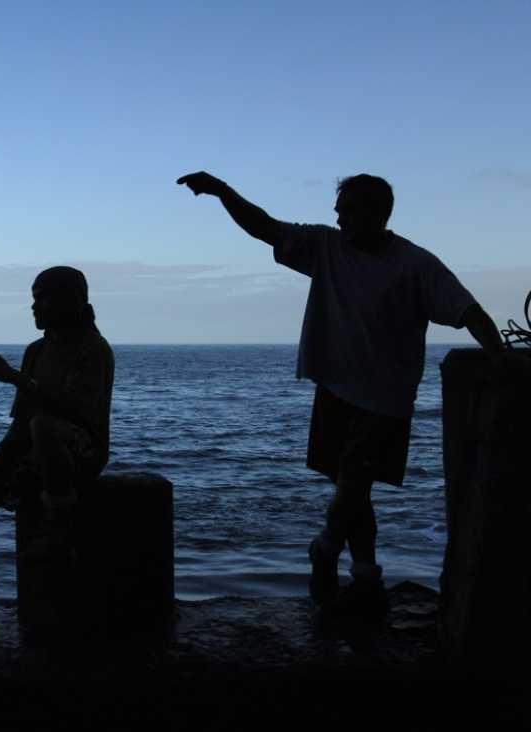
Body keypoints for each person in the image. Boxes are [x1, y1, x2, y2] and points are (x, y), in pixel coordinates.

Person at [176, 171, 504, 617]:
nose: (338, 216)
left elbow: (469, 312)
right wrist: (222, 192)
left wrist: (501, 360)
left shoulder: (416, 264)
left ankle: (326, 549)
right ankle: (366, 575)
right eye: (339, 208)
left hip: (387, 399)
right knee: (355, 490)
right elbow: (264, 226)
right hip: (335, 389)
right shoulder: (327, 247)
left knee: (352, 478)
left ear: (377, 213)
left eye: (348, 209)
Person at [0, 266, 115, 643]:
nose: (34, 307)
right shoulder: (37, 351)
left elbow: (75, 411)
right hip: (33, 449)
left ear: (69, 301)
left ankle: (58, 529)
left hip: (80, 452)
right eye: (33, 298)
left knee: (45, 427)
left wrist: (14, 377)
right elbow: (20, 424)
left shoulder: (94, 350)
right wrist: (0, 467)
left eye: (41, 298)